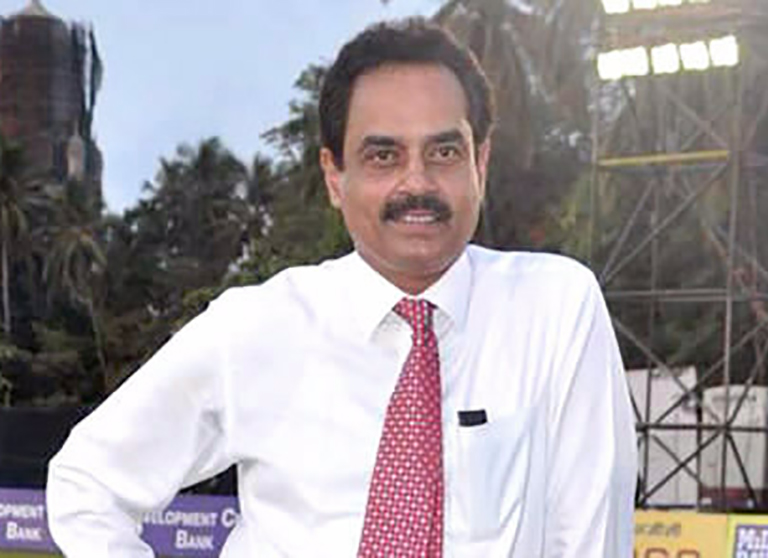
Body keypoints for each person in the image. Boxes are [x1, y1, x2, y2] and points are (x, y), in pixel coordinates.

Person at [46, 18, 637, 557]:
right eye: (383, 156)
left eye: (444, 151)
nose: (417, 183)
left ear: (479, 164)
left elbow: (589, 536)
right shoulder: (255, 326)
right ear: (335, 176)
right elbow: (87, 481)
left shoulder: (555, 309)